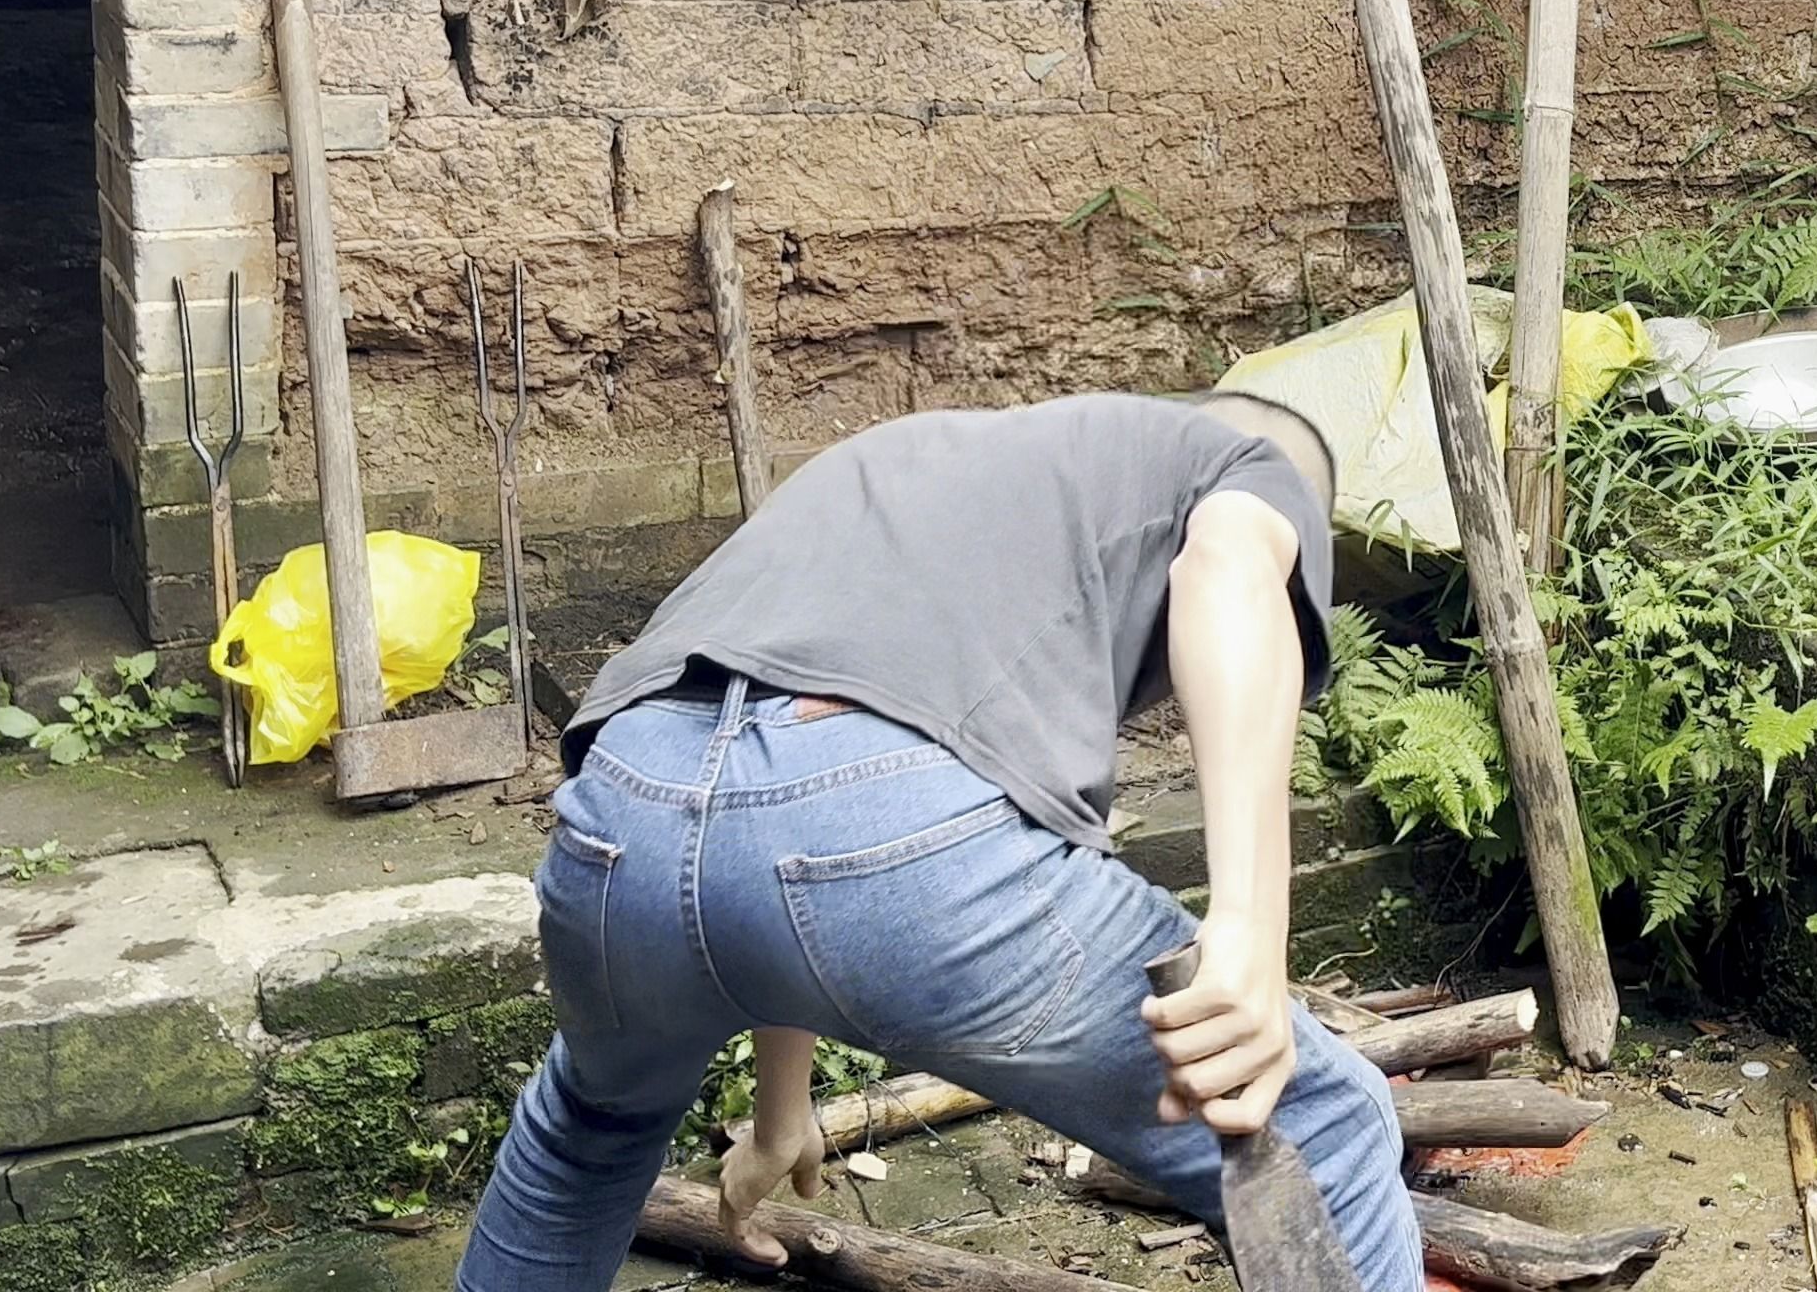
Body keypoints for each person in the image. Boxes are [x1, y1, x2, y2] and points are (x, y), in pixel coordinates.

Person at [455, 391, 1416, 1291]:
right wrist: (1249, 932)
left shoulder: (909, 457)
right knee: (1319, 1126)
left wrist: (782, 1109)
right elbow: (1230, 571)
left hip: (620, 811)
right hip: (892, 839)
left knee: (585, 1133)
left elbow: (766, 796)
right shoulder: (1250, 458)